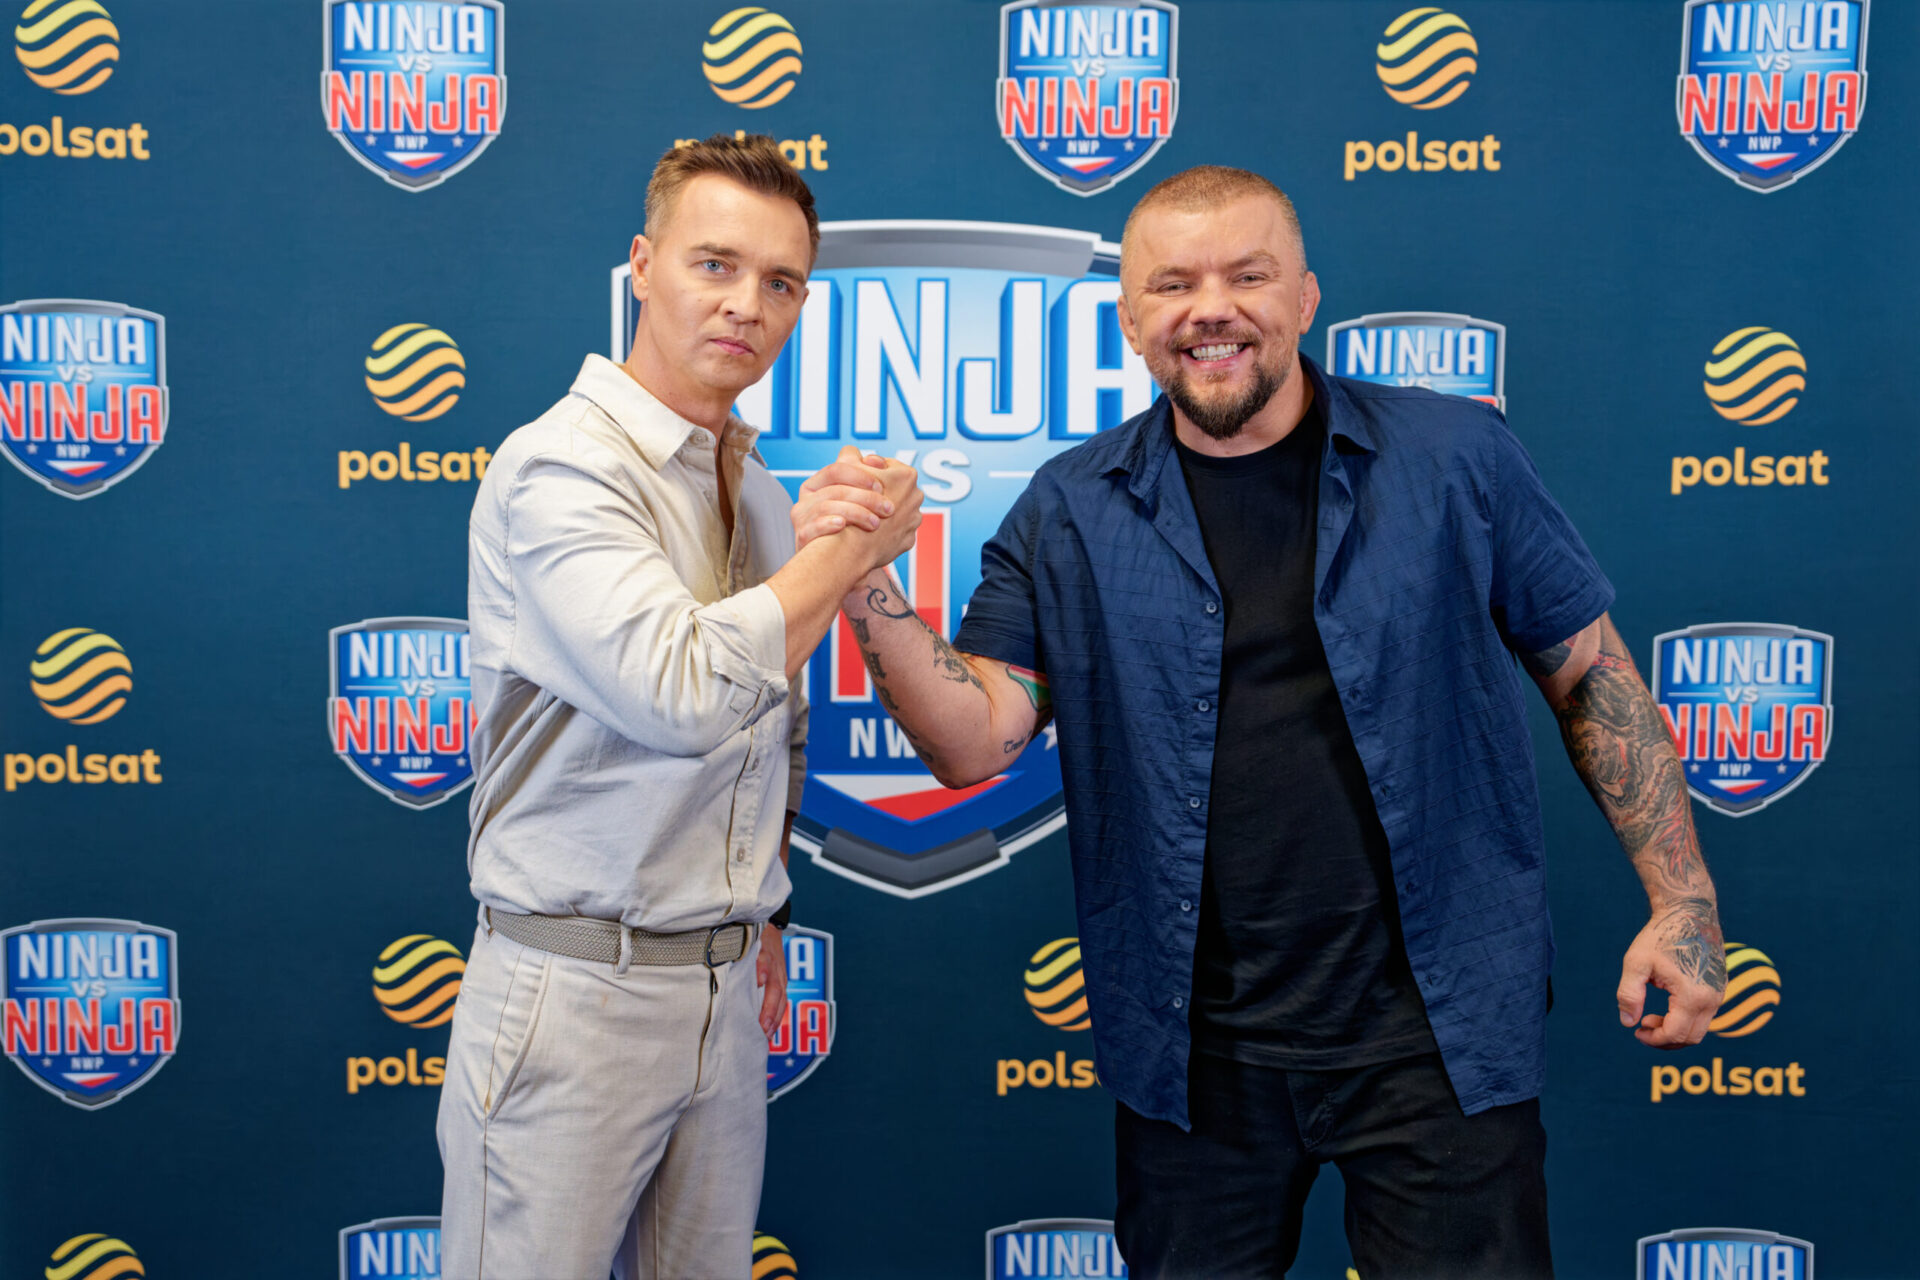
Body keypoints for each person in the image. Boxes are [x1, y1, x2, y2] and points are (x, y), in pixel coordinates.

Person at [794, 165, 1725, 1278]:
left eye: (1248, 276)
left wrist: (1683, 898)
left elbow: (1593, 678)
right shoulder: (1068, 508)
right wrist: (862, 581)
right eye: (1174, 284)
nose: (1212, 309)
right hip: (1193, 1055)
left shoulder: (1455, 459)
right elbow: (971, 740)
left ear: (1306, 296)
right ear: (1130, 317)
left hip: (1437, 1039)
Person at [436, 133, 920, 1280]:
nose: (747, 302)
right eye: (715, 264)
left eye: (780, 282)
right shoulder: (562, 466)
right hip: (574, 987)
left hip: (719, 984)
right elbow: (685, 691)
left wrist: (766, 908)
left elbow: (773, 720)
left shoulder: (752, 484)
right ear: (643, 268)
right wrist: (849, 548)